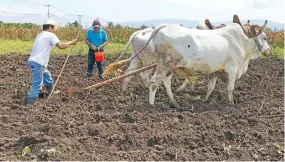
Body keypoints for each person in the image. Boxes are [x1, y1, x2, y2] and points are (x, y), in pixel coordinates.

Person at [24, 19, 78, 105]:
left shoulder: (40, 35)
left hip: (34, 61)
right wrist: (71, 42)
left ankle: (51, 92)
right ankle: (28, 104)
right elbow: (61, 46)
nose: (53, 30)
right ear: (50, 27)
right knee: (37, 86)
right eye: (53, 28)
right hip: (39, 63)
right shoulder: (50, 35)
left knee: (47, 76)